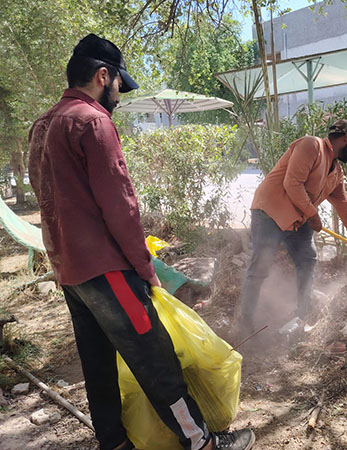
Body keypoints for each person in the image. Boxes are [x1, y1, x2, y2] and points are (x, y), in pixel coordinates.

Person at [28, 34, 255, 450]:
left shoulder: (42, 126)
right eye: (118, 84)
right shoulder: (94, 121)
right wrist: (147, 269)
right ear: (102, 75)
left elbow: (45, 198)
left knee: (98, 367)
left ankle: (114, 444)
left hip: (71, 274)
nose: (118, 94)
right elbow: (121, 206)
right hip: (108, 271)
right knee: (156, 358)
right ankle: (201, 442)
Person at [240, 119, 347, 333]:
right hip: (270, 212)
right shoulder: (312, 145)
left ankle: (302, 314)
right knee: (260, 267)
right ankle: (245, 323)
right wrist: (313, 214)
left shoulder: (336, 172)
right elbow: (292, 183)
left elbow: (344, 205)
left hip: (298, 218)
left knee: (308, 260)